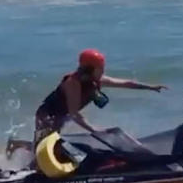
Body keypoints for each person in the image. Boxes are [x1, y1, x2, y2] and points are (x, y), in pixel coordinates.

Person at [34, 49, 167, 149]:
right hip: (47, 115)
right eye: (100, 69)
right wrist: (94, 130)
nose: (103, 71)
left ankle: (22, 147)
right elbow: (74, 113)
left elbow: (126, 83)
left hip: (62, 115)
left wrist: (151, 87)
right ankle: (22, 156)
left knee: (54, 144)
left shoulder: (96, 80)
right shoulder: (72, 83)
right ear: (89, 69)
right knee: (44, 148)